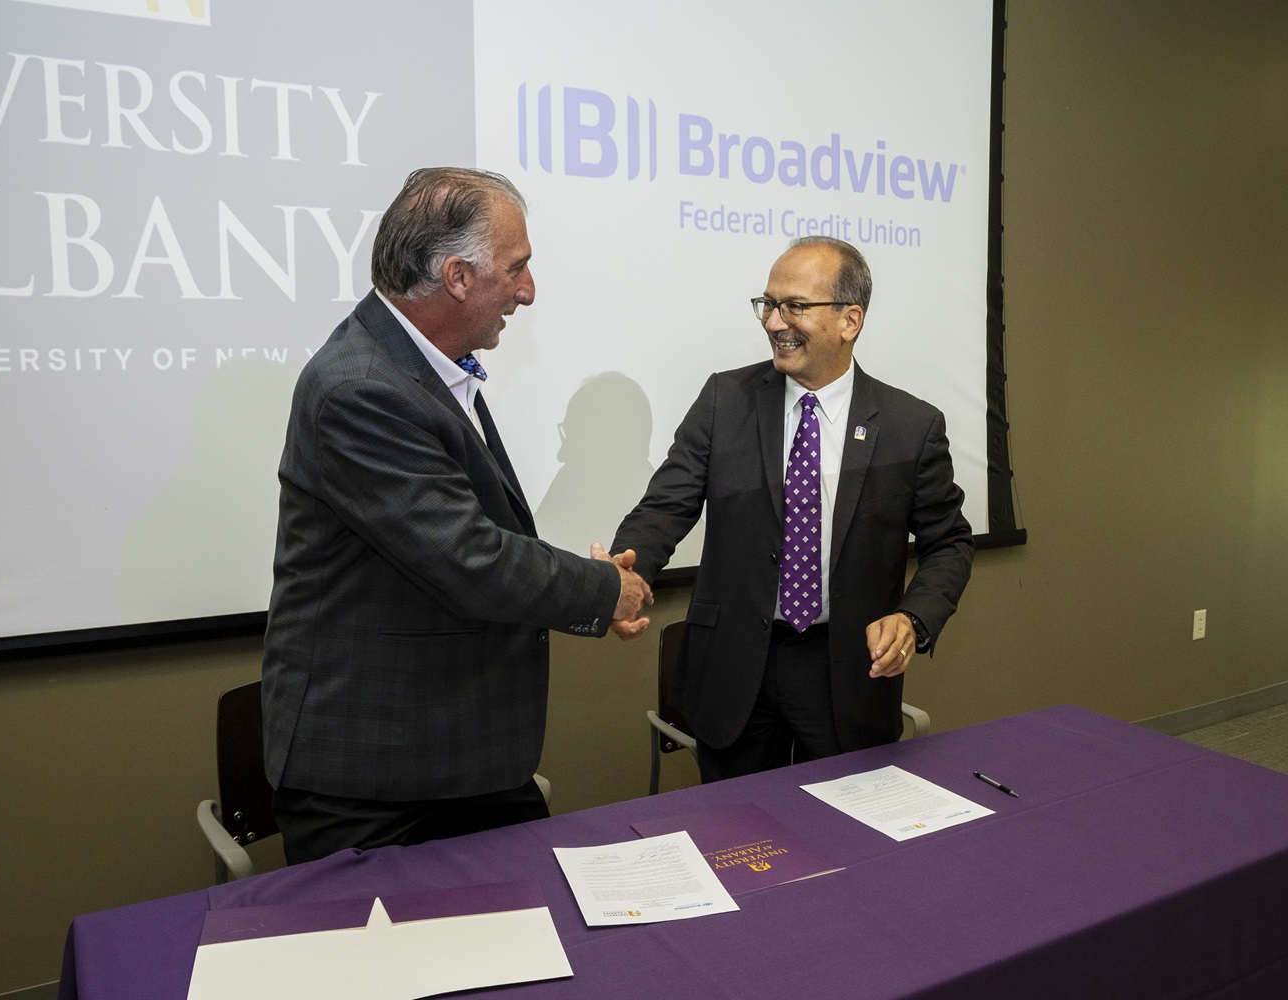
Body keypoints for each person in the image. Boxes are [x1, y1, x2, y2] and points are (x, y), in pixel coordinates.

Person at [262, 167, 651, 864]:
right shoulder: (360, 389)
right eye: (518, 268)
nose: (528, 291)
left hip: (453, 756)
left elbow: (471, 537)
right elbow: (468, 557)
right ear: (457, 276)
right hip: (378, 783)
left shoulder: (424, 368)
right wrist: (604, 590)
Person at [610, 236, 972, 782]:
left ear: (850, 320)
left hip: (846, 672)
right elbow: (666, 505)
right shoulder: (723, 399)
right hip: (736, 671)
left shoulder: (910, 426)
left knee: (850, 841)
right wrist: (623, 571)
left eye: (795, 307)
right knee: (740, 842)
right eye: (769, 304)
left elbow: (949, 543)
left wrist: (913, 618)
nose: (774, 322)